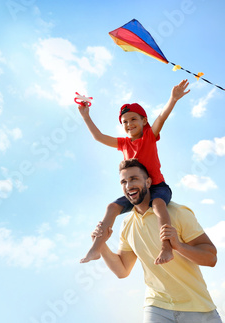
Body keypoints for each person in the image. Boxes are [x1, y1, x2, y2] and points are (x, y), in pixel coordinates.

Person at [93, 158, 222, 322]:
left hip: (197, 308)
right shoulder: (127, 224)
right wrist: (101, 244)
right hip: (157, 306)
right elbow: (122, 270)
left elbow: (211, 258)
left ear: (148, 182)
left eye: (134, 179)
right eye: (123, 181)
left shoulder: (177, 212)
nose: (128, 185)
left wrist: (179, 246)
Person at [79, 79, 190, 264]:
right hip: (136, 192)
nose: (129, 124)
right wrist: (85, 116)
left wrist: (173, 99)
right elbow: (98, 137)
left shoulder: (149, 136)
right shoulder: (123, 144)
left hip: (157, 188)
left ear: (143, 120)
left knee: (158, 205)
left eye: (133, 119)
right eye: (125, 121)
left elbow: (161, 117)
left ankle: (166, 247)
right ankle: (95, 248)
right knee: (111, 207)